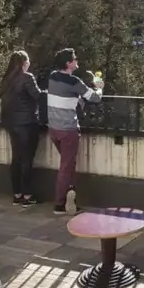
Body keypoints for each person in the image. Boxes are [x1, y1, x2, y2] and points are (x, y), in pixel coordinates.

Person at [47, 47, 103, 215]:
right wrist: (99, 86)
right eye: (75, 59)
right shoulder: (74, 82)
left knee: (68, 164)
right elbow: (95, 98)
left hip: (53, 129)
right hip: (68, 130)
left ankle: (71, 195)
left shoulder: (52, 77)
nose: (77, 61)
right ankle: (59, 204)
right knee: (66, 166)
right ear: (68, 63)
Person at [0, 50, 43, 207]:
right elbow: (38, 96)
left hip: (11, 123)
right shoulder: (27, 78)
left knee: (16, 158)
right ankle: (27, 195)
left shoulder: (6, 80)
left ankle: (17, 194)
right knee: (27, 160)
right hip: (27, 123)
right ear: (25, 63)